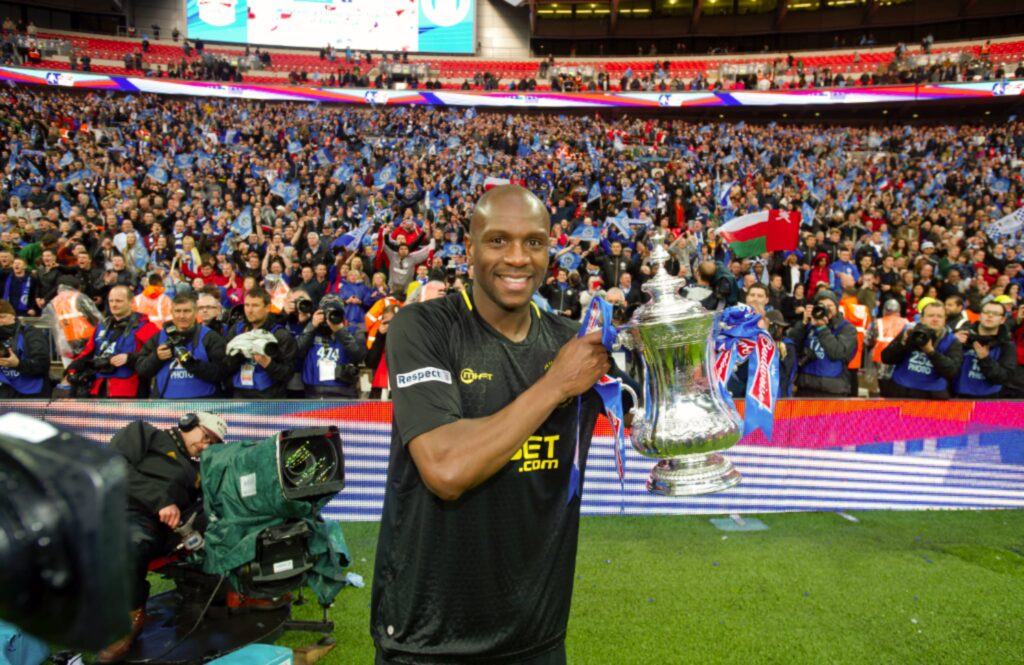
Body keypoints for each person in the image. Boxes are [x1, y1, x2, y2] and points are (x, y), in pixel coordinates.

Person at [371, 186, 611, 664]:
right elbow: (446, 471)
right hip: (428, 637)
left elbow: (656, 429)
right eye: (498, 241)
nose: (518, 258)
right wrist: (555, 386)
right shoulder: (423, 328)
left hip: (536, 637)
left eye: (535, 242)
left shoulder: (573, 343)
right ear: (470, 249)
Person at [97, 412, 228, 663]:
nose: (205, 445)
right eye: (205, 437)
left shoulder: (197, 471)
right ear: (188, 423)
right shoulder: (145, 433)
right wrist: (161, 501)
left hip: (157, 528)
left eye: (212, 443)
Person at [66, 285, 160, 397]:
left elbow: (157, 355)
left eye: (119, 301)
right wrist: (71, 369)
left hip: (129, 390)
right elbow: (87, 353)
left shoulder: (144, 326)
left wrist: (130, 358)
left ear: (131, 302)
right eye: (111, 301)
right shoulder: (102, 326)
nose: (114, 305)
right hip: (99, 388)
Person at [136, 293, 227, 399]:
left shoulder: (210, 337)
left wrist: (192, 364)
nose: (182, 316)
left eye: (187, 311)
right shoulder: (159, 337)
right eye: (177, 311)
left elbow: (222, 372)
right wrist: (156, 358)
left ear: (195, 313)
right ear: (171, 312)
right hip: (165, 405)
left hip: (203, 406)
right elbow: (141, 370)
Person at [224, 286, 297, 398]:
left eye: (255, 305)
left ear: (267, 307)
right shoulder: (237, 330)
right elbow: (224, 365)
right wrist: (237, 355)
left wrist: (269, 364)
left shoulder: (280, 334)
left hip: (270, 398)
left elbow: (288, 373)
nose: (249, 310)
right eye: (247, 305)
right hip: (240, 394)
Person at [880, 300, 963, 399]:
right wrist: (901, 343)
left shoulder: (952, 341)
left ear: (945, 319)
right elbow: (886, 358)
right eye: (931, 315)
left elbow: (952, 372)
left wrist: (931, 352)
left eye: (939, 316)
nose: (935, 319)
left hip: (933, 394)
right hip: (901, 389)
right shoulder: (910, 332)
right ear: (922, 319)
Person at [787, 290, 857, 397]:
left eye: (830, 306)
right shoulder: (808, 325)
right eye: (821, 306)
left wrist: (822, 328)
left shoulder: (846, 328)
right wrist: (803, 323)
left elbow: (838, 353)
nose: (826, 309)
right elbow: (790, 347)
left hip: (833, 390)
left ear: (837, 308)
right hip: (806, 386)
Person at [297, 295, 366, 398]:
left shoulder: (354, 332)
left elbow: (359, 355)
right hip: (314, 392)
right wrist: (312, 325)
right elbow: (298, 351)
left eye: (335, 313)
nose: (330, 317)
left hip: (344, 392)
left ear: (342, 315)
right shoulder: (312, 330)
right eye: (326, 313)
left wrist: (341, 331)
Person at [952, 301, 1017, 398]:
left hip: (990, 399)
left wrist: (985, 359)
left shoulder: (1007, 345)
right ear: (979, 315)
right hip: (957, 396)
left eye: (995, 314)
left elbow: (1004, 378)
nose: (990, 316)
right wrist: (950, 342)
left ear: (1002, 319)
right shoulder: (962, 335)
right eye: (986, 312)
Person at [0, 300, 50, 398]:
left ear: (13, 316)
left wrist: (18, 364)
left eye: (2, 317)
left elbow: (42, 364)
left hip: (30, 393)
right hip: (5, 392)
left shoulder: (31, 334)